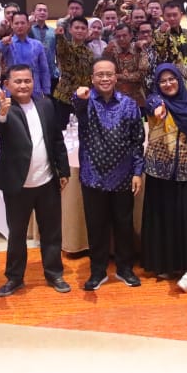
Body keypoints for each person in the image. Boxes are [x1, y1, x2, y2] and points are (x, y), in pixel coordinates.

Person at [0, 64, 72, 296]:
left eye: (27, 80)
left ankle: (54, 273)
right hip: (18, 185)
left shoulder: (46, 105)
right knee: (17, 234)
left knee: (51, 232)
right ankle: (14, 278)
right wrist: (2, 113)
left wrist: (63, 171)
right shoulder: (2, 107)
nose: (23, 85)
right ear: (7, 84)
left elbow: (56, 140)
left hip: (47, 181)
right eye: (18, 81)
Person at [73, 57, 145, 289]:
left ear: (116, 77)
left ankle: (125, 269)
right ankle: (98, 271)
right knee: (96, 227)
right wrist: (79, 96)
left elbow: (137, 140)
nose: (104, 78)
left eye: (109, 74)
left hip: (123, 176)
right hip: (92, 176)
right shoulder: (86, 101)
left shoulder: (129, 104)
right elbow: (77, 106)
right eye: (99, 75)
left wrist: (137, 171)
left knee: (124, 225)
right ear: (92, 78)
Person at [142, 64, 187, 292]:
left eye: (172, 79)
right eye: (163, 80)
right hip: (159, 171)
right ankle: (167, 264)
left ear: (179, 80)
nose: (168, 83)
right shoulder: (155, 101)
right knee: (164, 219)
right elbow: (151, 102)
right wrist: (158, 107)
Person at [0, 10, 52, 100]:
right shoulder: (7, 43)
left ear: (28, 24)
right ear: (11, 25)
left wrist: (46, 91)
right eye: (16, 23)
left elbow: (44, 70)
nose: (20, 26)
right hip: (12, 90)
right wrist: (4, 43)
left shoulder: (37, 45)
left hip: (34, 90)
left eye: (22, 23)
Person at [53, 15, 94, 131]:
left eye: (83, 28)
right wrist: (60, 36)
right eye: (76, 28)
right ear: (70, 30)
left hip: (83, 97)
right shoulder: (65, 46)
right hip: (65, 96)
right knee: (62, 130)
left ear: (87, 31)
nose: (80, 30)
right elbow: (62, 48)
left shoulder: (89, 53)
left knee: (83, 130)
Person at [104, 21, 151, 108]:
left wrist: (118, 76)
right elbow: (107, 74)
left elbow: (141, 75)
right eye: (118, 36)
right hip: (116, 99)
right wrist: (107, 53)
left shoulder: (139, 49)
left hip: (137, 99)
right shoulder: (111, 50)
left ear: (131, 35)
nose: (121, 39)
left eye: (124, 35)